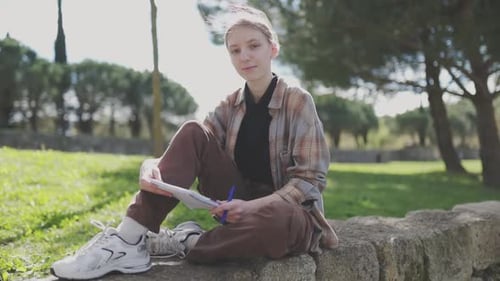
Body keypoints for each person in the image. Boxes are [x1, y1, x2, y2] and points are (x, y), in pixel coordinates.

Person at [50, 4, 338, 280]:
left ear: (273, 48)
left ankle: (189, 242)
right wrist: (150, 166)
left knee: (275, 224)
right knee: (192, 129)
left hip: (288, 214)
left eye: (254, 46)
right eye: (235, 50)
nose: (244, 56)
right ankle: (128, 239)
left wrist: (251, 208)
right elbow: (193, 145)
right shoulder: (230, 105)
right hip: (238, 202)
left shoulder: (298, 101)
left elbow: (309, 181)